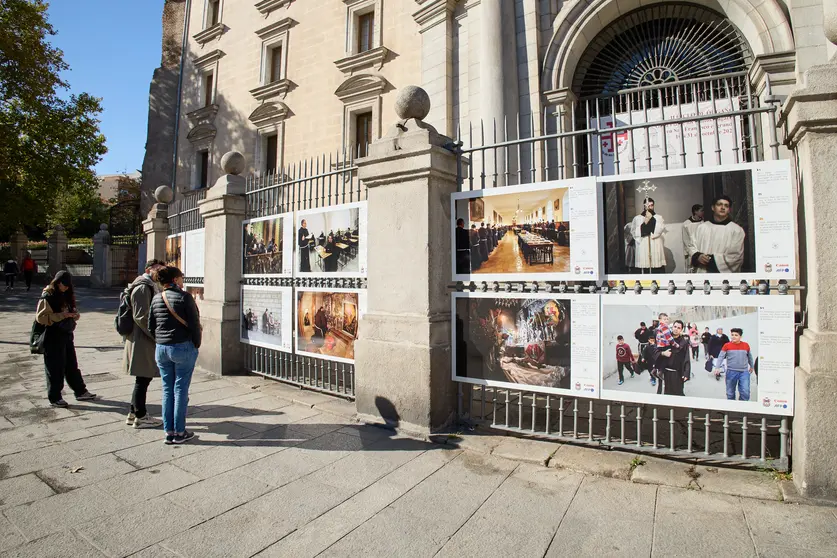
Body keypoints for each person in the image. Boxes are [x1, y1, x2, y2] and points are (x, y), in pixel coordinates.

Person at [148, 266, 201, 444]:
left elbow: (151, 325)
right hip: (182, 346)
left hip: (162, 348)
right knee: (180, 389)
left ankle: (168, 432)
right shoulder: (184, 297)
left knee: (167, 389)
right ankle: (179, 432)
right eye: (181, 277)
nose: (183, 280)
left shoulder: (156, 298)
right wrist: (196, 344)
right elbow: (194, 323)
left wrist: (161, 340)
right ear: (175, 279)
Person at [35, 271, 97, 407]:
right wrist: (61, 315)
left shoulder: (67, 295)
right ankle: (55, 397)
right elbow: (41, 318)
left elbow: (72, 310)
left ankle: (80, 391)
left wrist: (74, 315)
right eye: (64, 285)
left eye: (68, 285)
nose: (66, 288)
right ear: (57, 282)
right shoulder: (48, 296)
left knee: (71, 365)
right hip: (52, 335)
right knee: (55, 367)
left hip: (66, 334)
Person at [121, 260, 165, 429]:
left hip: (142, 338)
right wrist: (156, 335)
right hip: (142, 339)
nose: (159, 272)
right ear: (148, 269)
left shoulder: (150, 285)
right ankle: (140, 415)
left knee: (143, 378)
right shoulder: (143, 287)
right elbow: (141, 316)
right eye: (157, 269)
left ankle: (133, 413)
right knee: (143, 377)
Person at [687, 195, 746, 273]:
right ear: (713, 208)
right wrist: (698, 256)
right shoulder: (702, 227)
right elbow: (691, 245)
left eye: (726, 206)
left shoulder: (736, 230)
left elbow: (736, 256)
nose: (722, 207)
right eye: (719, 204)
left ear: (729, 210)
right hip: (702, 273)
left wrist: (710, 260)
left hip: (723, 276)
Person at [714, 328, 754, 400]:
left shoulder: (746, 345)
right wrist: (717, 367)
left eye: (736, 335)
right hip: (731, 372)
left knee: (745, 392)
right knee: (730, 393)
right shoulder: (726, 345)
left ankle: (741, 407)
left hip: (744, 372)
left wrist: (752, 366)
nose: (733, 336)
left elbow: (749, 356)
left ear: (740, 337)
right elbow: (720, 357)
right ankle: (732, 407)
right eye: (732, 335)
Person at [630, 197, 666, 273]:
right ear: (644, 206)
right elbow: (634, 232)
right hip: (643, 245)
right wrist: (646, 221)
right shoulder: (637, 218)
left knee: (656, 267)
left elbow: (658, 231)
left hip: (655, 245)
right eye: (647, 205)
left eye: (651, 205)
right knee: (644, 267)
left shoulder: (659, 217)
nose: (650, 207)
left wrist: (650, 220)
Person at [660, 320, 690, 396]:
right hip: (665, 371)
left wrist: (686, 372)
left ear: (681, 329)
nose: (676, 329)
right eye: (675, 327)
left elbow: (686, 358)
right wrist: (663, 353)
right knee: (667, 393)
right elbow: (656, 352)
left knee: (678, 393)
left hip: (678, 372)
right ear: (672, 327)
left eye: (679, 328)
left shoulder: (683, 342)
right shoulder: (665, 339)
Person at [682, 204, 704, 269]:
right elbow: (686, 239)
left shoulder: (703, 223)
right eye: (701, 210)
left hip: (701, 251)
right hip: (691, 252)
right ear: (695, 212)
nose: (703, 212)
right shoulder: (686, 224)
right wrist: (691, 252)